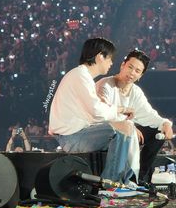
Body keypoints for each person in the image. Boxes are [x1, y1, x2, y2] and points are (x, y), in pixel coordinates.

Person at [48, 37, 139, 187]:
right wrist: (120, 111)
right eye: (110, 59)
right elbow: (96, 111)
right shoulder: (80, 76)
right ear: (99, 56)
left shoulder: (82, 76)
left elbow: (96, 112)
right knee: (125, 128)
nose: (111, 64)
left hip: (77, 134)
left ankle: (122, 180)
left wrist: (120, 114)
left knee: (126, 126)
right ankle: (111, 183)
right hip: (72, 138)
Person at [96, 49, 174, 183]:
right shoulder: (105, 85)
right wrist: (129, 126)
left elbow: (149, 114)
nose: (132, 73)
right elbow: (102, 114)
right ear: (122, 65)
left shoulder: (136, 92)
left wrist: (166, 123)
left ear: (141, 76)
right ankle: (121, 179)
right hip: (104, 132)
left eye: (137, 71)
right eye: (130, 67)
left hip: (127, 131)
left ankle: (139, 178)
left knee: (158, 132)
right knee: (128, 130)